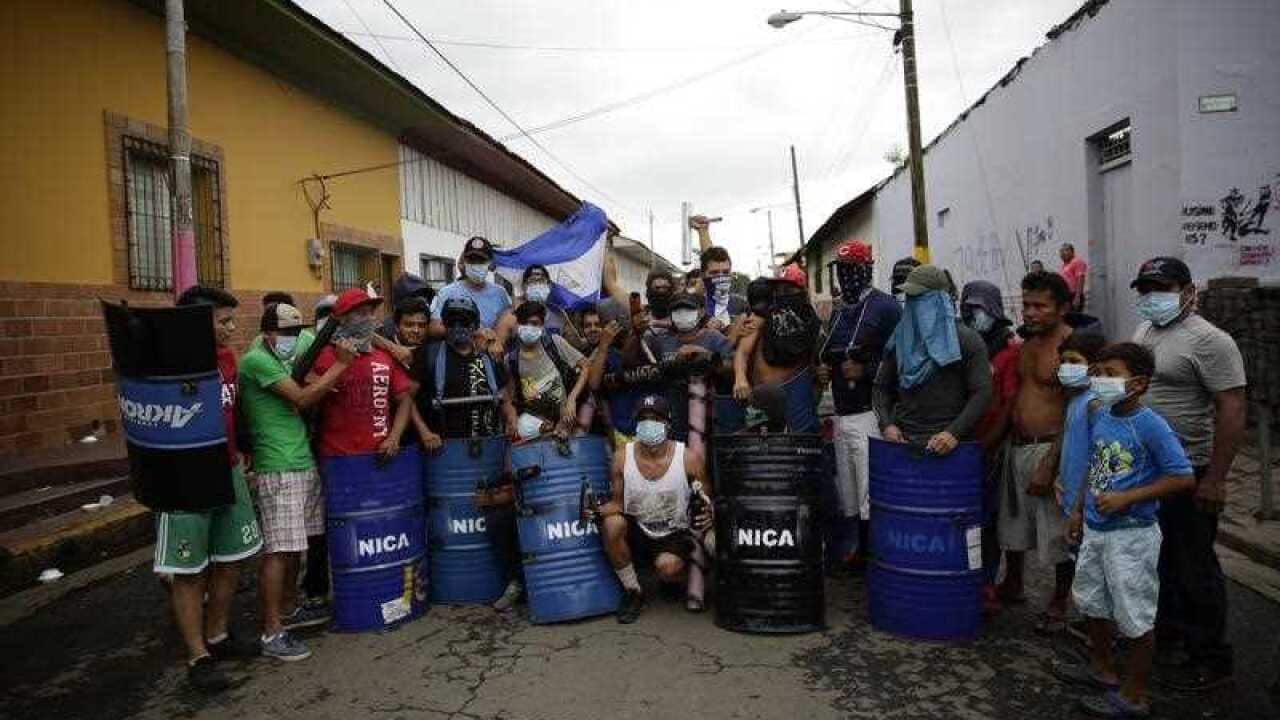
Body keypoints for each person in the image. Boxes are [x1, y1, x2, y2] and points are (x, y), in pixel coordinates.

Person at [1055, 342, 1195, 718]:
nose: (1100, 380)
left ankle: (1134, 696)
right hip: (1096, 528)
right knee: (1092, 601)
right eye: (1097, 372)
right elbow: (1094, 465)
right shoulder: (1101, 413)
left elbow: (1182, 476)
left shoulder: (1151, 425)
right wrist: (1077, 511)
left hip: (1131, 535)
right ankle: (1102, 668)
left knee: (1134, 615)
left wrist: (1128, 497)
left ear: (1138, 384)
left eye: (1110, 374)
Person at [1131, 257, 1246, 692]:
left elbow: (1232, 408)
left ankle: (1212, 658)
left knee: (1194, 563)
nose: (1151, 298)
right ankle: (1171, 639)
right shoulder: (1144, 332)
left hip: (1188, 468)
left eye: (1161, 289)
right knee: (1157, 560)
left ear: (1188, 291)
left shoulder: (1210, 341)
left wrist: (1215, 479)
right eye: (1145, 290)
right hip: (1146, 471)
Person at [156, 286, 263, 693]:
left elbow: (233, 411)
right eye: (224, 321)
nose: (231, 328)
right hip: (185, 478)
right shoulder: (167, 364)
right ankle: (197, 656)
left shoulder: (228, 359)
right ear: (195, 323)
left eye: (231, 320)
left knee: (232, 558)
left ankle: (217, 635)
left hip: (229, 470)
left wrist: (244, 451)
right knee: (188, 570)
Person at [238, 304, 356, 660]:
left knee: (294, 548)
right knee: (279, 550)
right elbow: (302, 398)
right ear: (267, 334)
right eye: (284, 333)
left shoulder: (289, 351)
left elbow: (318, 343)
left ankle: (288, 609)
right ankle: (272, 630)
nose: (292, 338)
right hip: (278, 465)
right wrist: (340, 365)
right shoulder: (257, 361)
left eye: (295, 332)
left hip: (300, 459)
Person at [411, 296, 526, 610]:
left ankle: (511, 580)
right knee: (446, 520)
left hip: (488, 455)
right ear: (443, 325)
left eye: (466, 322)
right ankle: (441, 583)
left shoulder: (488, 357)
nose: (459, 328)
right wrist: (424, 432)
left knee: (499, 518)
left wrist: (511, 418)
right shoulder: (430, 356)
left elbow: (504, 396)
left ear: (476, 325)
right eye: (452, 321)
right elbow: (406, 399)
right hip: (445, 461)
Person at [997, 271, 1076, 628]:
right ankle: (1013, 583)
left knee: (1058, 532)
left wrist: (1052, 462)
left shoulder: (1072, 349)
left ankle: (1060, 601)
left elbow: (1076, 411)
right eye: (1026, 304)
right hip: (1017, 448)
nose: (1030, 312)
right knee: (1014, 523)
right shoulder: (1026, 345)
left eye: (1040, 306)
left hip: (1051, 449)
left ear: (1062, 308)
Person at [817, 241, 900, 566]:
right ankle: (857, 552)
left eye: (851, 269)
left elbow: (901, 358)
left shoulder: (886, 307)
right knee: (849, 492)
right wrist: (823, 370)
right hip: (841, 412)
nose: (846, 276)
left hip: (869, 412)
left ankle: (875, 556)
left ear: (866, 269)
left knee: (869, 490)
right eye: (841, 269)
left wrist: (867, 370)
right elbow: (829, 353)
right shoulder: (840, 310)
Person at [599, 395, 713, 623]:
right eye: (643, 418)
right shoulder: (621, 458)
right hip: (639, 529)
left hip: (674, 532)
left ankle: (672, 579)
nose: (648, 423)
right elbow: (618, 504)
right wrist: (595, 511)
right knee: (612, 524)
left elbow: (706, 501)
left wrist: (708, 513)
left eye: (655, 418)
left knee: (668, 568)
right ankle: (633, 591)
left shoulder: (689, 459)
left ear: (667, 423)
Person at [873, 264, 991, 452]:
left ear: (939, 300)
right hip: (904, 446)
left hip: (952, 448)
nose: (913, 304)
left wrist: (953, 433)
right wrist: (887, 425)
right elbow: (881, 388)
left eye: (920, 298)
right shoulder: (900, 339)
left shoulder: (965, 340)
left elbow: (982, 392)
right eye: (910, 298)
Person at [961, 279, 1020, 610]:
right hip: (962, 443)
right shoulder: (964, 344)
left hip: (991, 447)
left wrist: (989, 444)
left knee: (989, 519)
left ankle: (986, 582)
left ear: (994, 309)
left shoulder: (1008, 350)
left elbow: (1009, 404)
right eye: (967, 308)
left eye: (978, 308)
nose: (973, 315)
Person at [306, 288, 415, 461]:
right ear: (342, 318)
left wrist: (395, 437)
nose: (369, 318)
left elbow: (405, 399)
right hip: (336, 457)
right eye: (361, 313)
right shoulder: (324, 356)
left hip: (380, 456)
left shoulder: (384, 356)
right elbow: (304, 397)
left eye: (371, 313)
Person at [733, 265, 823, 433]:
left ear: (802, 292)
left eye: (788, 289)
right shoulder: (760, 317)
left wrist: (821, 374)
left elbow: (819, 359)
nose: (782, 294)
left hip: (800, 397)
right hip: (765, 401)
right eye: (778, 289)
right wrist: (740, 378)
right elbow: (742, 352)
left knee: (803, 441)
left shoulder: (811, 323)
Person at [644, 291, 736, 439]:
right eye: (677, 310)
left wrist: (706, 356)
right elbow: (641, 364)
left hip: (709, 414)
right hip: (675, 416)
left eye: (688, 309)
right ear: (670, 315)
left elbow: (731, 368)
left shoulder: (714, 338)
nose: (683, 314)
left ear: (700, 312)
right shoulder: (661, 340)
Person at [502, 301, 590, 441]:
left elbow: (585, 366)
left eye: (534, 323)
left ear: (542, 325)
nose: (529, 328)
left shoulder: (554, 343)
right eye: (524, 323)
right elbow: (510, 397)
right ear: (517, 325)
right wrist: (512, 417)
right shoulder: (511, 360)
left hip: (565, 418)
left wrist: (572, 399)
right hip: (536, 424)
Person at [428, 236, 513, 355]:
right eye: (472, 260)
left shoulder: (500, 293)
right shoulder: (447, 292)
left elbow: (509, 323)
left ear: (490, 263)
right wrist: (472, 332)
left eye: (481, 260)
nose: (476, 264)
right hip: (456, 355)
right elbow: (433, 327)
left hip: (488, 357)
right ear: (464, 261)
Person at [699, 246, 749, 340]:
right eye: (714, 273)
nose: (721, 277)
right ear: (703, 275)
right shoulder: (694, 307)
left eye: (726, 272)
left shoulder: (743, 304)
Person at [1058, 243, 1088, 311]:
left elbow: (1080, 279)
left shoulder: (1077, 262)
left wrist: (1077, 297)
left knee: (1074, 316)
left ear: (1072, 252)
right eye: (1061, 251)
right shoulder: (1064, 265)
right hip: (1066, 296)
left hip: (1074, 295)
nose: (1063, 253)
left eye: (1066, 250)